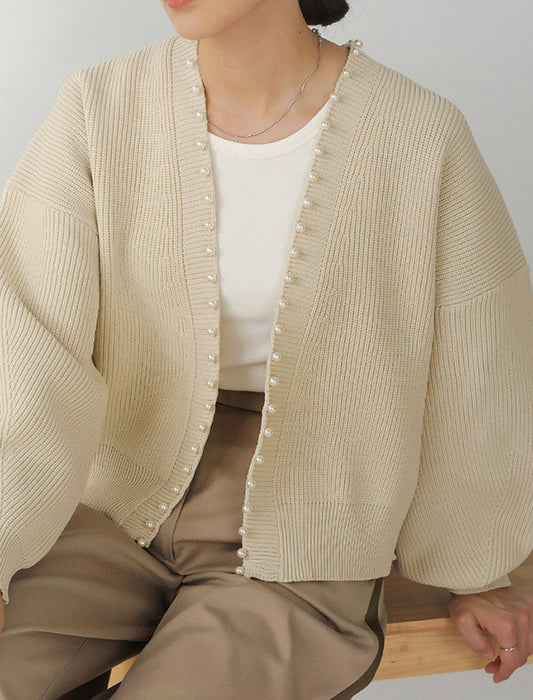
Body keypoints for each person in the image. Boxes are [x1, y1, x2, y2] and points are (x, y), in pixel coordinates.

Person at [0, 0, 532, 697]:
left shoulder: (420, 136)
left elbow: (479, 370)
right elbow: (29, 348)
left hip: (308, 528)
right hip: (113, 512)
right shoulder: (99, 107)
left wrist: (479, 569)